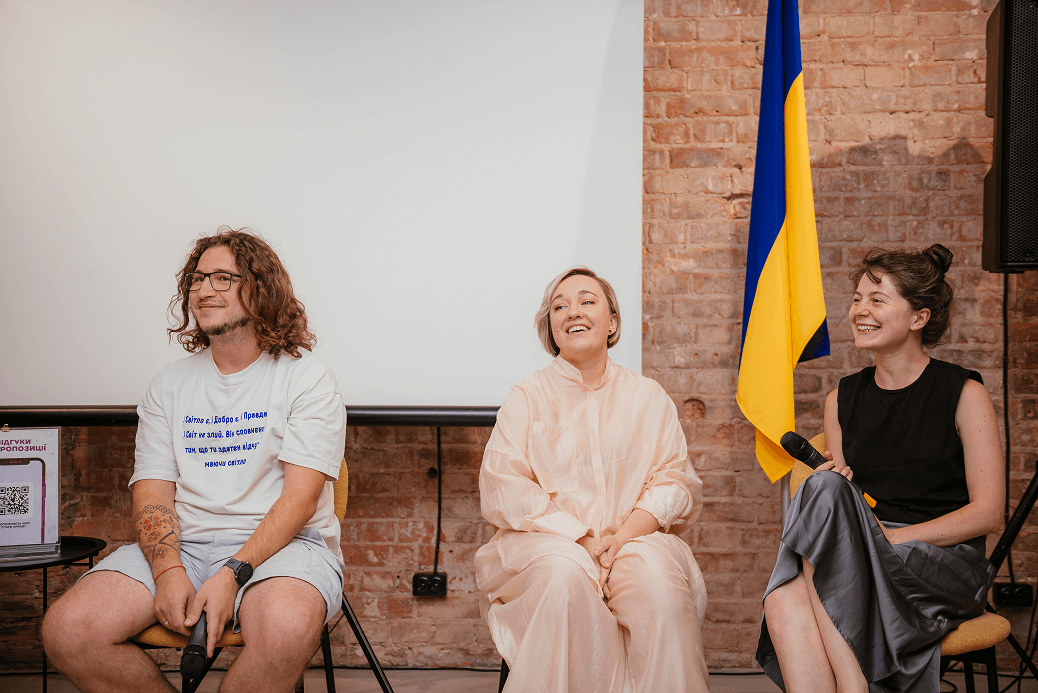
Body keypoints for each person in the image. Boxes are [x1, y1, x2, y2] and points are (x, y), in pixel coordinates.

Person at [42, 227, 348, 693]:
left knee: (284, 629)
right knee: (68, 630)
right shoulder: (169, 384)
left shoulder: (306, 377)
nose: (204, 289)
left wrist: (232, 573)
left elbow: (301, 499)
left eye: (223, 278)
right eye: (198, 279)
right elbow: (152, 493)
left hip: (284, 549)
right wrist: (167, 572)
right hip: (184, 546)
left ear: (261, 289)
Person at [757, 244, 1004, 693]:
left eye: (877, 299)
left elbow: (988, 514)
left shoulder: (964, 393)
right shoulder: (841, 400)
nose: (860, 311)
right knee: (783, 598)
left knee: (822, 571)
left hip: (942, 563)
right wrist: (847, 501)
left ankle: (855, 687)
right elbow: (846, 510)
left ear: (919, 318)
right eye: (856, 299)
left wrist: (891, 539)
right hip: (865, 557)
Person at [475, 266, 710, 693]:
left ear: (612, 322)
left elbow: (674, 482)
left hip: (633, 539)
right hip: (550, 545)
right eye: (559, 307)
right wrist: (580, 540)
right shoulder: (527, 396)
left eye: (587, 301)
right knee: (564, 576)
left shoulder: (648, 396)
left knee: (657, 583)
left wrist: (619, 540)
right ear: (551, 328)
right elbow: (504, 486)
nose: (573, 312)